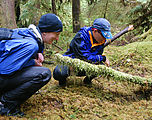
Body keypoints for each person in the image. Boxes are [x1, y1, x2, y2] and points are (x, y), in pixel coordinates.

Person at [0, 13, 63, 116]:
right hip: (2, 75)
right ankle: (5, 104)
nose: (57, 39)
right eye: (56, 34)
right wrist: (33, 62)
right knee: (44, 74)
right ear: (45, 32)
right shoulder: (31, 45)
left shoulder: (27, 33)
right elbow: (5, 69)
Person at [53, 18, 112, 86]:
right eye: (103, 35)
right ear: (95, 31)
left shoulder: (101, 41)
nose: (104, 39)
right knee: (59, 72)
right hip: (71, 62)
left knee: (102, 67)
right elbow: (84, 56)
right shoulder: (81, 36)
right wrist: (103, 58)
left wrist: (100, 59)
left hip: (86, 65)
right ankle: (62, 82)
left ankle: (87, 81)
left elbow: (97, 56)